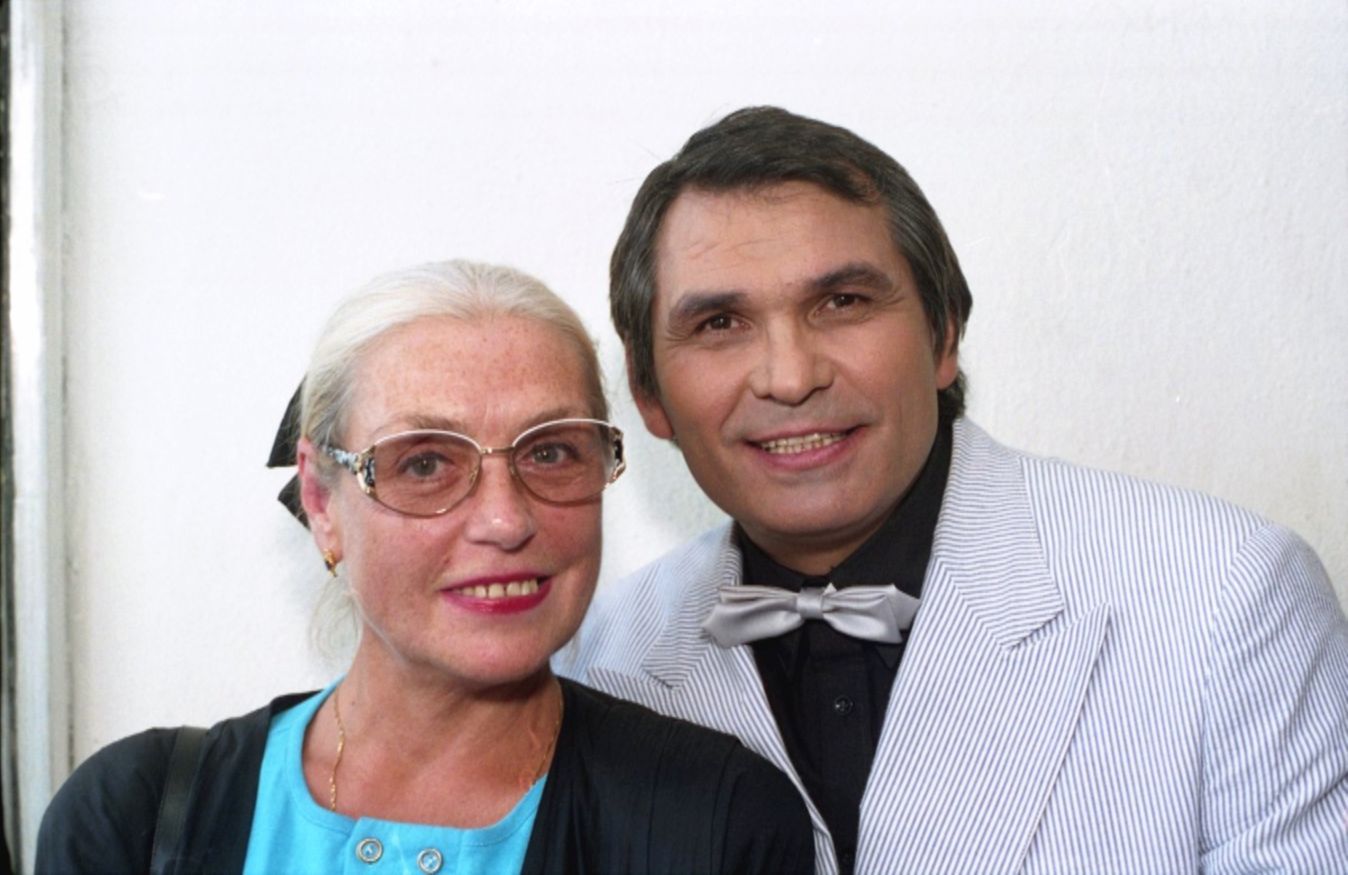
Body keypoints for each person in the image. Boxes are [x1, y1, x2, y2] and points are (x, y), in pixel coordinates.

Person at [557, 107, 1348, 874]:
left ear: (943, 335)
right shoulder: (597, 652)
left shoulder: (1228, 594)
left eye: (842, 302)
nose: (790, 377)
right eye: (720, 324)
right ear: (650, 394)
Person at [37, 260, 813, 874]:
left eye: (550, 452)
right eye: (424, 463)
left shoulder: (717, 823)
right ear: (322, 501)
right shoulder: (135, 815)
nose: (506, 519)